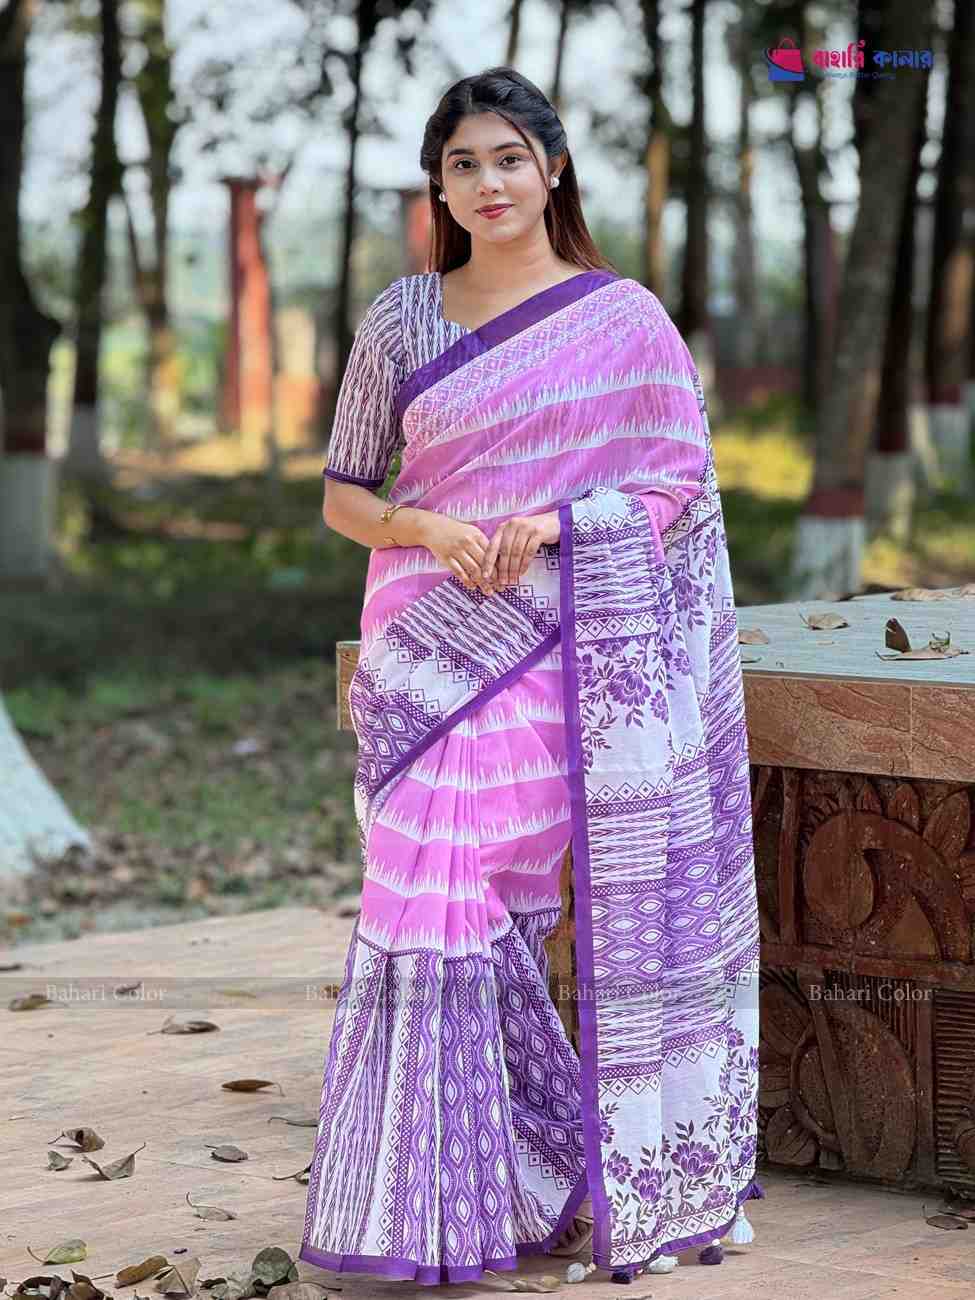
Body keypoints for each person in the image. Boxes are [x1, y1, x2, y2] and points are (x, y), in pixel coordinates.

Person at [299, 65, 762, 1288]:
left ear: (552, 170)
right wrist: (427, 529)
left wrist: (553, 527)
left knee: (475, 893)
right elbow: (345, 495)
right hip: (423, 647)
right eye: (463, 164)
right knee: (424, 892)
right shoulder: (402, 320)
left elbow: (672, 486)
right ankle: (473, 1185)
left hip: (559, 650)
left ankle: (483, 1180)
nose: (488, 182)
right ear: (439, 188)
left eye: (509, 158)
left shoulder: (625, 319)